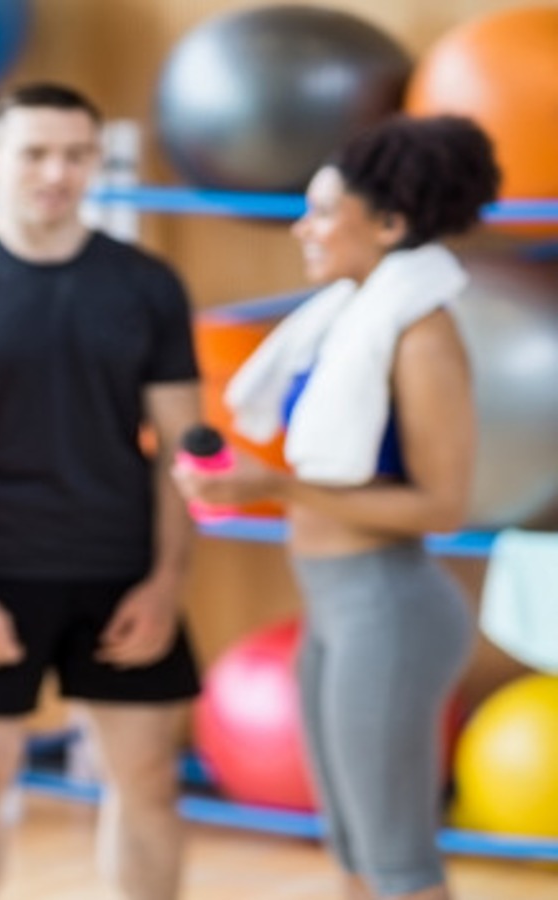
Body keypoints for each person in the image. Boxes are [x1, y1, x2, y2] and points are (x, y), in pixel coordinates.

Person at [0, 82, 203, 900]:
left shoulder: (147, 285)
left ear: (97, 161)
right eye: (35, 152)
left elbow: (182, 451)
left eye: (76, 153)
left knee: (149, 783)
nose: (56, 172)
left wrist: (166, 583)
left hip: (120, 566)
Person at [176, 115, 500, 900]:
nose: (302, 228)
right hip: (335, 611)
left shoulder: (422, 336)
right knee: (354, 853)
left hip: (389, 611)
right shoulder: (342, 319)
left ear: (390, 225)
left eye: (323, 212)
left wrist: (275, 487)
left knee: (399, 864)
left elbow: (441, 505)